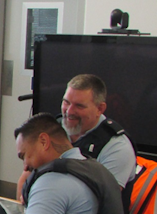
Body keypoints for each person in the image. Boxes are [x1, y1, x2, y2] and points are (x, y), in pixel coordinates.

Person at [17, 74, 136, 202]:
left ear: (100, 109)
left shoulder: (117, 147)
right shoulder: (51, 130)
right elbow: (27, 176)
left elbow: (103, 201)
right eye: (66, 102)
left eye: (79, 106)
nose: (69, 111)